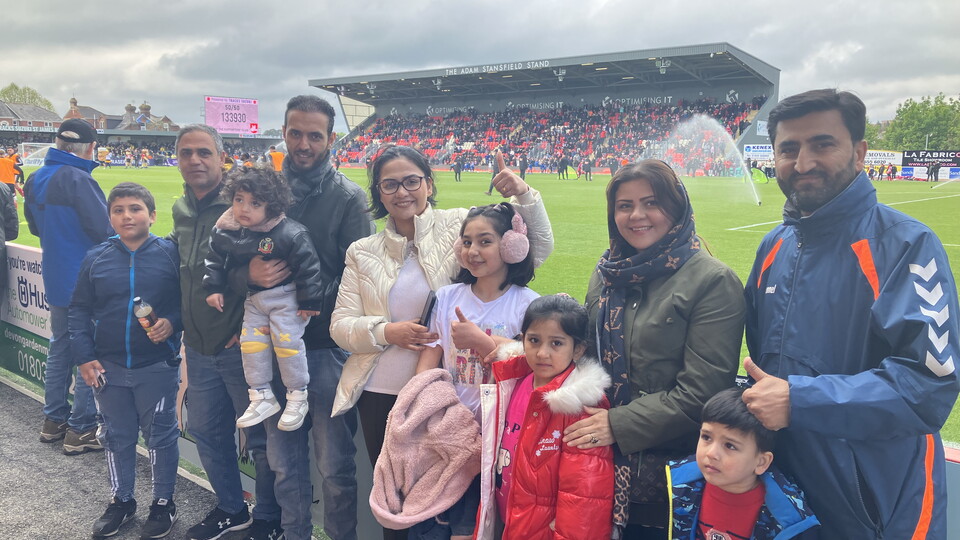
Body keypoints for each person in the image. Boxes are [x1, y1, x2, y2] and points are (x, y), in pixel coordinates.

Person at [742, 88, 960, 538]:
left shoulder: (906, 245)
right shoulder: (772, 248)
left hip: (880, 504)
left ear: (859, 153)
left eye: (822, 144)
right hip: (788, 498)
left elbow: (929, 387)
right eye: (789, 148)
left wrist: (800, 401)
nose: (803, 163)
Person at [330, 145, 553, 540]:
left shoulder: (456, 225)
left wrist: (524, 195)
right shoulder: (362, 252)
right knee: (401, 499)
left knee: (462, 508)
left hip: (460, 404)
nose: (402, 192)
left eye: (412, 181)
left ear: (428, 185)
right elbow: (341, 326)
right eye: (390, 184)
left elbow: (528, 245)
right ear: (378, 193)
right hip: (387, 392)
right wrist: (386, 331)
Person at [565, 160, 745, 540]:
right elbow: (587, 359)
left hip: (667, 475)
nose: (637, 215)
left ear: (676, 207)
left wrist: (618, 424)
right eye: (624, 205)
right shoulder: (607, 272)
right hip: (596, 464)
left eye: (651, 202)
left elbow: (703, 390)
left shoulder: (712, 280)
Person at [239, 95, 375, 540]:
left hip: (323, 348)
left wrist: (300, 305)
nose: (304, 143)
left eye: (314, 135)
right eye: (295, 133)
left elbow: (358, 276)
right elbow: (234, 254)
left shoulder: (349, 198)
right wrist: (248, 273)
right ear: (284, 132)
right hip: (273, 350)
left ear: (331, 139)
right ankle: (293, 533)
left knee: (334, 466)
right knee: (283, 463)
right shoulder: (262, 191)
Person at [171, 124, 282, 540]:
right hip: (197, 345)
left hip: (241, 345)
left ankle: (269, 518)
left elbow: (273, 270)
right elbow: (187, 273)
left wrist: (243, 299)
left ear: (222, 157)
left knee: (260, 439)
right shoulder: (182, 210)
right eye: (186, 153)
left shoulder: (245, 206)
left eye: (204, 152)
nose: (195, 160)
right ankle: (232, 508)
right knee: (206, 431)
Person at [413, 202, 540, 540]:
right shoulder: (445, 297)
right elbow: (430, 357)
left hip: (497, 437)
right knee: (436, 517)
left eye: (485, 241)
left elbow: (531, 365)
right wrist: (423, 408)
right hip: (448, 429)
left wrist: (483, 342)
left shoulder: (527, 303)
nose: (473, 250)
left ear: (511, 245)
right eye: (466, 242)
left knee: (476, 523)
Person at [70, 183, 182, 539]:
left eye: (135, 208)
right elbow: (79, 310)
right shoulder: (97, 257)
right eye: (118, 210)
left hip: (156, 367)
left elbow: (185, 303)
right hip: (110, 368)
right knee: (117, 437)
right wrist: (85, 358)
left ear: (152, 215)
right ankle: (122, 500)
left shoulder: (169, 255)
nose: (126, 216)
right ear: (110, 218)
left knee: (161, 438)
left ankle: (164, 502)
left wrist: (171, 323)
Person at [475, 294, 614, 540]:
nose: (542, 353)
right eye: (534, 340)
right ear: (522, 339)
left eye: (556, 343)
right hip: (506, 518)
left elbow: (583, 496)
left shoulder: (578, 405)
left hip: (542, 530)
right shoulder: (511, 381)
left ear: (578, 349)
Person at [204, 166, 324, 432]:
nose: (244, 209)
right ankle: (260, 395)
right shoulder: (226, 230)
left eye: (255, 203)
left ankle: (297, 395)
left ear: (272, 206)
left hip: (286, 299)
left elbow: (309, 266)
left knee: (287, 344)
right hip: (254, 300)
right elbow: (213, 259)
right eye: (239, 200)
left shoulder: (289, 232)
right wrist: (213, 288)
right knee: (251, 344)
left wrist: (309, 302)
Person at [24, 118, 112, 454]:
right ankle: (82, 428)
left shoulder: (35, 178)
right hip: (86, 278)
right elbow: (103, 230)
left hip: (55, 274)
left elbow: (33, 227)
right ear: (89, 148)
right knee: (89, 352)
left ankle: (54, 421)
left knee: (60, 347)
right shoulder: (78, 178)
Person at [668, 388, 820, 540]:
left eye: (730, 446)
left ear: (761, 462)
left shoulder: (789, 519)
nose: (711, 453)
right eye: (706, 437)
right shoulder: (679, 487)